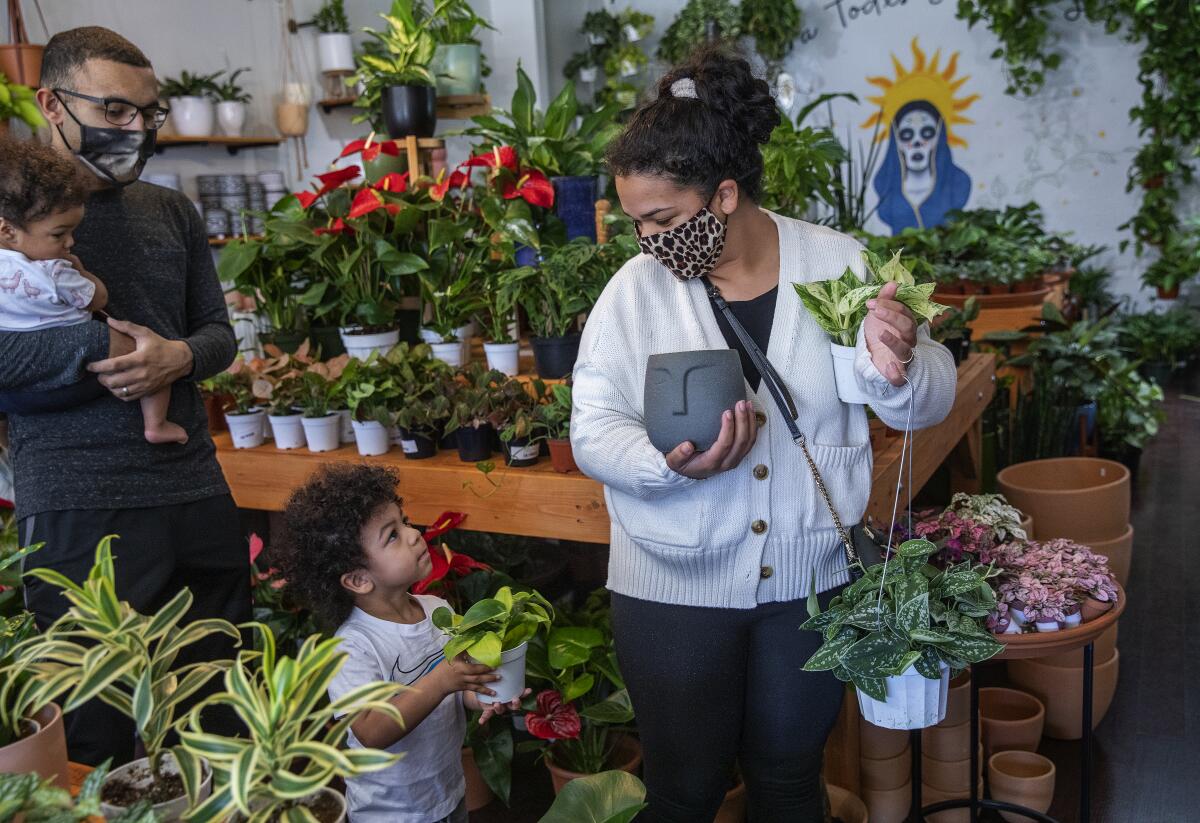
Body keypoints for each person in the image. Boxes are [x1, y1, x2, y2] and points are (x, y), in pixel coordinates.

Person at [571, 46, 957, 822]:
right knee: (684, 791)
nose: (647, 240)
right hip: (672, 587)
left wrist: (902, 362)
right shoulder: (634, 292)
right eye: (637, 222)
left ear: (722, 194)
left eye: (662, 219)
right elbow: (591, 429)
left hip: (808, 583)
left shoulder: (836, 264)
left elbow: (929, 396)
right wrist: (668, 463)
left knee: (788, 779)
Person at [0, 27, 246, 766]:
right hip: (77, 508)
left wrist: (177, 355)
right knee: (95, 730)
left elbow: (218, 333)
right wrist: (104, 350)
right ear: (52, 103)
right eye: (113, 110)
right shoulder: (8, 224)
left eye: (147, 112)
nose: (133, 130)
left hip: (194, 488)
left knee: (223, 707)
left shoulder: (172, 212)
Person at [280, 464, 525, 823]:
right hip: (389, 814)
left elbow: (460, 690)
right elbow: (370, 730)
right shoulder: (352, 647)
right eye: (392, 535)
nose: (413, 534)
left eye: (404, 521)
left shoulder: (437, 610)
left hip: (449, 794)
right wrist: (441, 680)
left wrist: (487, 694)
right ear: (359, 579)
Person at [0, 138, 188, 446]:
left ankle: (5, 439)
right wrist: (82, 271)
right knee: (148, 352)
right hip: (84, 375)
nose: (70, 242)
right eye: (60, 234)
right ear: (8, 230)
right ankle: (157, 424)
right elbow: (97, 299)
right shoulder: (54, 271)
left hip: (23, 394)